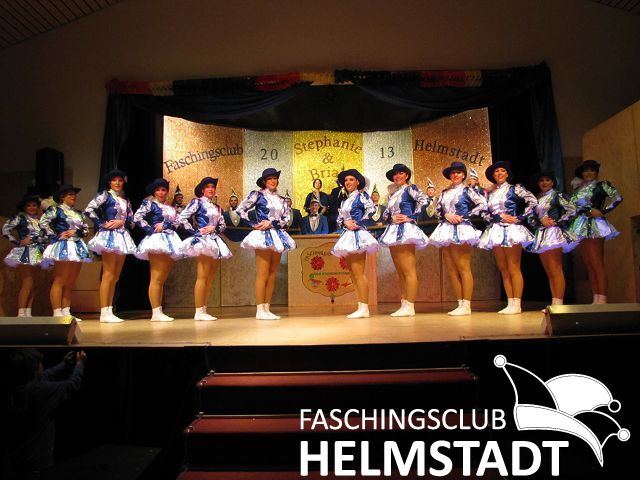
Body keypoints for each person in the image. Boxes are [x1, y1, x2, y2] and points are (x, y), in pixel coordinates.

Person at [1, 348, 86, 478]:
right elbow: (71, 385)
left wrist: (63, 365)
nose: (42, 366)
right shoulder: (41, 391)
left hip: (13, 462)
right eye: (40, 364)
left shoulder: (14, 388)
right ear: (34, 370)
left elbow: (43, 375)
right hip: (38, 465)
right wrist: (80, 364)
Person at [236, 168, 297, 320]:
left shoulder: (283, 200)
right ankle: (259, 309)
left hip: (277, 235)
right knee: (263, 273)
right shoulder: (258, 195)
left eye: (275, 178)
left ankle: (267, 308)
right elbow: (240, 209)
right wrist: (253, 224)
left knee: (272, 273)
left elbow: (286, 219)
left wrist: (272, 223)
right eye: (269, 178)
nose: (273, 181)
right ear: (264, 181)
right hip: (262, 235)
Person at [478, 162, 537, 314]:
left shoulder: (514, 188)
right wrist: (494, 217)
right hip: (496, 230)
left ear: (507, 174)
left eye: (502, 170)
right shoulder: (489, 193)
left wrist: (519, 217)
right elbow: (483, 211)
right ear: (493, 175)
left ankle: (517, 303)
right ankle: (510, 302)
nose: (499, 173)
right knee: (503, 268)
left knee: (513, 267)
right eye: (496, 171)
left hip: (511, 230)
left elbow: (533, 201)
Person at [430, 161, 488, 316]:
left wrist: (465, 216)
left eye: (458, 172)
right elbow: (437, 210)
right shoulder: (444, 192)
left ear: (463, 175)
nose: (455, 175)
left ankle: (467, 304)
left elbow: (483, 204)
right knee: (451, 269)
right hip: (446, 229)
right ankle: (460, 303)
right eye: (453, 173)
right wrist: (446, 215)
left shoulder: (468, 190)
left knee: (463, 267)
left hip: (461, 228)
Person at [83, 169, 136, 323]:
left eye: (120, 180)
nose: (117, 183)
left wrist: (122, 222)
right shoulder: (105, 195)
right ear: (110, 182)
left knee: (116, 276)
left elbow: (132, 221)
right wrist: (102, 223)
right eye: (114, 180)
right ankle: (104, 311)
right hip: (109, 235)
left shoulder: (126, 200)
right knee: (108, 273)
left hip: (122, 236)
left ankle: (109, 309)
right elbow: (89, 210)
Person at [567, 160, 623, 304]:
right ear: (582, 173)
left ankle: (602, 299)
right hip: (579, 226)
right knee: (589, 264)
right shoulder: (577, 190)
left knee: (597, 262)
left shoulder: (602, 185)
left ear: (596, 172)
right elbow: (571, 208)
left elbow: (618, 197)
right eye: (586, 170)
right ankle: (596, 299)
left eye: (592, 170)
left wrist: (603, 211)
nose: (589, 173)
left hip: (595, 225)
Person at [378, 164, 430, 317]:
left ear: (406, 175)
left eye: (401, 173)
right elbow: (386, 214)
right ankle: (404, 304)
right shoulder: (392, 194)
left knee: (408, 270)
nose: (397, 176)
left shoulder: (410, 189)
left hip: (406, 229)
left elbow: (424, 201)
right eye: (395, 174)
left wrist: (411, 217)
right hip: (394, 230)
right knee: (400, 271)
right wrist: (391, 218)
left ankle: (410, 305)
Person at [180, 176, 232, 320]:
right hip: (203, 240)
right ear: (202, 190)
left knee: (210, 277)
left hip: (215, 240)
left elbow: (222, 225)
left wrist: (214, 228)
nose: (211, 189)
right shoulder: (197, 202)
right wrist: (195, 231)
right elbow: (182, 217)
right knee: (202, 276)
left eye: (212, 187)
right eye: (208, 187)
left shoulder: (217, 207)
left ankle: (204, 309)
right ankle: (198, 311)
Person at [331, 169, 379, 318]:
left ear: (358, 182)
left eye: (351, 179)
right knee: (352, 273)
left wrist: (357, 223)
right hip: (348, 234)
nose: (348, 182)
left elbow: (372, 211)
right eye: (346, 180)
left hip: (358, 234)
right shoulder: (345, 200)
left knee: (359, 273)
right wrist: (345, 223)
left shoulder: (362, 195)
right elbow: (340, 219)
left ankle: (364, 308)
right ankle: (360, 306)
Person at [134, 178, 182, 321]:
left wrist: (166, 225)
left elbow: (177, 222)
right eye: (158, 190)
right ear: (154, 192)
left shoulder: (171, 207)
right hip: (157, 240)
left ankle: (158, 310)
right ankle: (155, 312)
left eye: (163, 190)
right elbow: (137, 217)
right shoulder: (149, 204)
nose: (161, 192)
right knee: (156, 277)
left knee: (162, 278)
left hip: (170, 239)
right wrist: (150, 230)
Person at [40, 184, 92, 319]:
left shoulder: (79, 213)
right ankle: (57, 312)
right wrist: (55, 236)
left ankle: (66, 312)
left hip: (77, 246)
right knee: (60, 279)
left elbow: (86, 230)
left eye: (74, 194)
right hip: (63, 245)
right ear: (62, 197)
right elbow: (43, 223)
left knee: (71, 281)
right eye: (70, 194)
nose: (73, 197)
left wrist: (77, 232)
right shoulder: (56, 210)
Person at [529, 171, 579, 308]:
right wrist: (540, 222)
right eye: (541, 180)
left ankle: (559, 303)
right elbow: (530, 217)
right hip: (541, 233)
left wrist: (557, 221)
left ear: (552, 182)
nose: (544, 183)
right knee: (549, 271)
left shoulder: (557, 195)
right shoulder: (537, 198)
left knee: (555, 268)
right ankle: (554, 302)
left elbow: (572, 210)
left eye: (547, 180)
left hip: (553, 233)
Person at [2, 195, 47, 317]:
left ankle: (28, 312)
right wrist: (17, 242)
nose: (32, 207)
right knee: (28, 281)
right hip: (24, 252)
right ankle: (21, 312)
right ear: (24, 207)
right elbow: (5, 229)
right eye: (29, 205)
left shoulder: (39, 221)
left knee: (33, 283)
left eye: (34, 205)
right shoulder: (21, 218)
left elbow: (45, 235)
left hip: (37, 252)